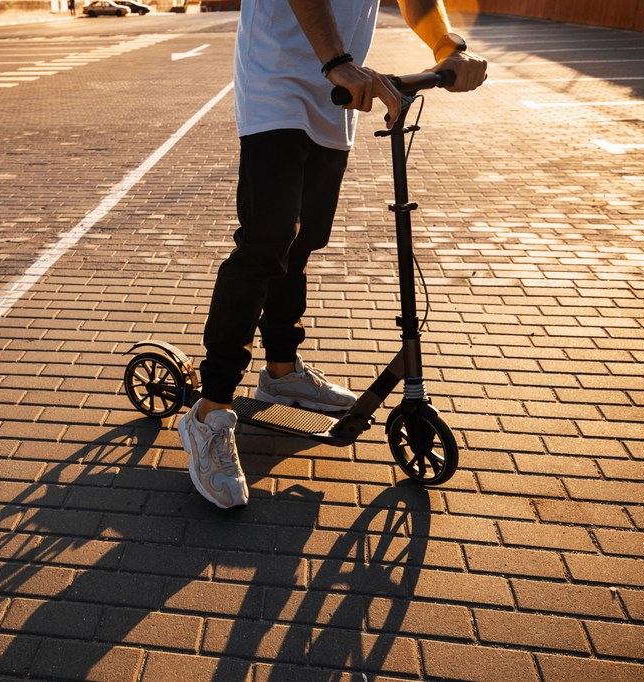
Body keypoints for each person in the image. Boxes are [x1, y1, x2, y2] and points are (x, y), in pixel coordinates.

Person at [177, 0, 488, 509]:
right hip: (277, 79)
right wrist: (335, 59)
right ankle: (209, 411)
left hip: (339, 88)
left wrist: (446, 46)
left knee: (304, 240)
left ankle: (281, 373)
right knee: (266, 238)